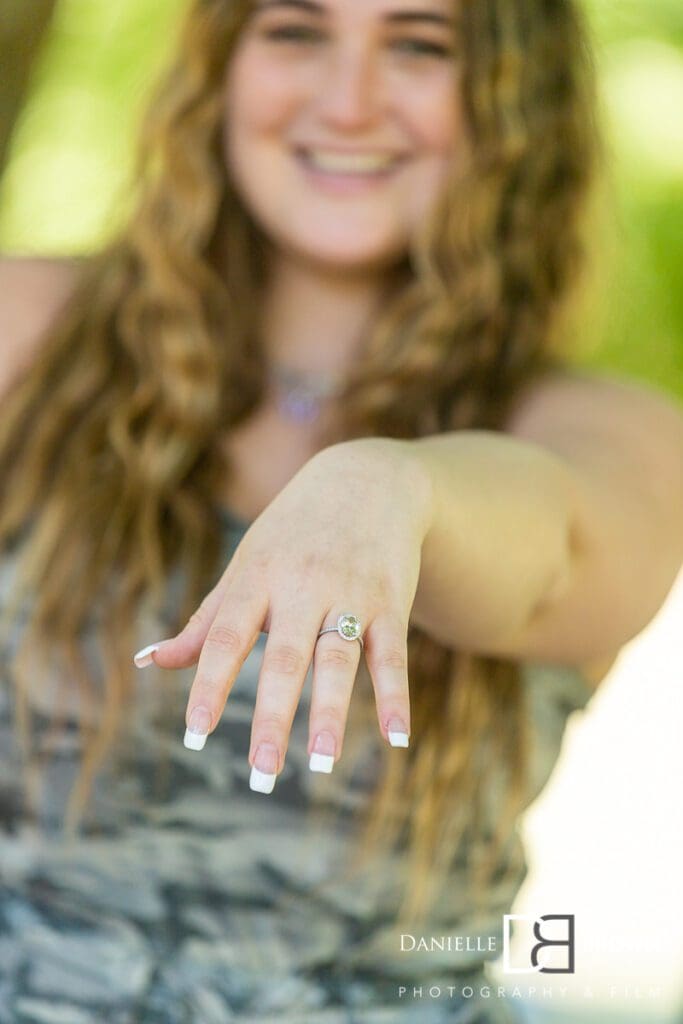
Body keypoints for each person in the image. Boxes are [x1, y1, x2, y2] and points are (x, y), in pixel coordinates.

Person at [1, 1, 682, 1021]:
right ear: (223, 71)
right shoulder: (26, 332)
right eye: (295, 32)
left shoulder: (607, 433)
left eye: (418, 44)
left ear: (512, 97)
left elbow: (551, 549)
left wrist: (388, 490)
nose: (348, 99)